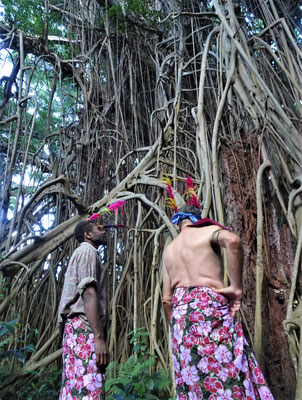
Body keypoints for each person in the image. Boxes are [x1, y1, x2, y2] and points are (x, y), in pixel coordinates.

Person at [162, 204, 274, 400]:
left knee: (194, 380)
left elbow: (166, 299)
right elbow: (232, 240)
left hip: (180, 319)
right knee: (227, 370)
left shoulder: (169, 250)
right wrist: (236, 288)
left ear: (179, 225)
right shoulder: (206, 231)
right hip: (208, 308)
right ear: (198, 220)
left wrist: (177, 330)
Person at [58, 220, 109, 400]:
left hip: (76, 330)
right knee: (88, 388)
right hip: (84, 329)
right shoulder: (88, 252)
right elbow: (88, 293)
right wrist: (99, 337)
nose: (104, 231)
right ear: (88, 234)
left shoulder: (80, 252)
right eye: (99, 228)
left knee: (76, 387)